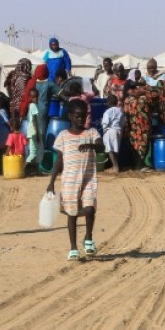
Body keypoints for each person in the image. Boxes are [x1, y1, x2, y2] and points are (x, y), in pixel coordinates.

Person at [46, 100, 105, 261]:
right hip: (69, 181)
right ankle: (73, 248)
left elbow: (101, 146)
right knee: (71, 214)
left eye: (83, 116)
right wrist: (51, 182)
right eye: (77, 116)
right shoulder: (63, 136)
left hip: (88, 180)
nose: (81, 119)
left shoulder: (92, 133)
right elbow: (59, 161)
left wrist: (92, 146)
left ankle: (88, 237)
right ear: (70, 116)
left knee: (90, 209)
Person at [100, 93, 124, 174]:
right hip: (119, 130)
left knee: (110, 149)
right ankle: (116, 165)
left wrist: (104, 130)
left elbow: (105, 123)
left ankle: (115, 167)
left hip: (110, 130)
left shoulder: (108, 112)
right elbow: (123, 122)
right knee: (116, 148)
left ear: (108, 102)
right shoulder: (120, 111)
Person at [23, 88, 42, 173]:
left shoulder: (31, 106)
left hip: (31, 132)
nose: (35, 99)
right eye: (33, 97)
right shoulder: (33, 106)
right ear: (30, 98)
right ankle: (23, 168)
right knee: (34, 152)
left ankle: (36, 170)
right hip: (34, 132)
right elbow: (34, 120)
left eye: (36, 97)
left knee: (37, 150)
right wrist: (37, 133)